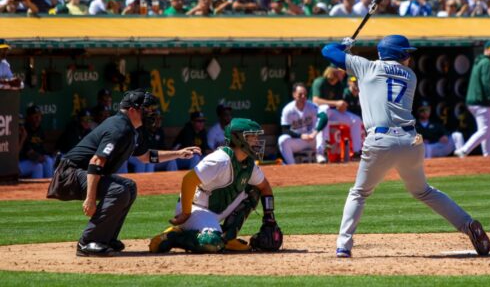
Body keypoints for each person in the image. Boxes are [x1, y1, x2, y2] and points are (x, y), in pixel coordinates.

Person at [322, 35, 490, 258]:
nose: (409, 56)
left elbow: (327, 51)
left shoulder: (367, 66)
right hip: (411, 142)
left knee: (359, 193)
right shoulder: (410, 76)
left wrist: (345, 46)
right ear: (399, 54)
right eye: (406, 53)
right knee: (424, 191)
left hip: (380, 141)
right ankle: (467, 224)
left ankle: (344, 246)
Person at [48, 90, 201, 256]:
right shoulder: (118, 128)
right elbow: (96, 162)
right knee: (119, 190)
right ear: (132, 110)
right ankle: (87, 242)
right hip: (69, 174)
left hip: (85, 173)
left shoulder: (132, 129)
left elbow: (146, 157)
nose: (150, 113)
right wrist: (90, 199)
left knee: (129, 186)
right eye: (146, 109)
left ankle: (106, 239)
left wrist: (178, 153)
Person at [149, 118, 283, 254]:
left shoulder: (249, 165)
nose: (256, 141)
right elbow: (188, 180)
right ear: (238, 138)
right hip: (196, 209)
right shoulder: (220, 160)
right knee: (213, 243)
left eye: (256, 136)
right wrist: (186, 212)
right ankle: (174, 236)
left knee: (254, 190)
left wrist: (269, 218)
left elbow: (265, 187)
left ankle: (228, 238)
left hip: (216, 210)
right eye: (252, 137)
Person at [454, 41, 490, 157]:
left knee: (487, 130)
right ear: (486, 49)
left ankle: (487, 155)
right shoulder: (486, 62)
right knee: (485, 130)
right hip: (480, 101)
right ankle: (464, 150)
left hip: (474, 100)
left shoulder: (480, 61)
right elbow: (487, 83)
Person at [311, 65, 364, 163]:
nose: (343, 73)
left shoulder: (339, 84)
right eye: (341, 71)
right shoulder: (320, 81)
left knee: (356, 120)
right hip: (317, 114)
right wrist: (336, 103)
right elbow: (315, 100)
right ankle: (321, 151)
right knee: (325, 109)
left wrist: (342, 106)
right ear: (333, 71)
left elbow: (338, 105)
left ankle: (357, 152)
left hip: (333, 112)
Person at [278, 83, 319, 164]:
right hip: (299, 140)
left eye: (305, 95)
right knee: (282, 140)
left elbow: (321, 122)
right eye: (300, 94)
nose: (303, 97)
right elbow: (285, 130)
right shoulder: (288, 109)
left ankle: (322, 158)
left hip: (313, 139)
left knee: (323, 132)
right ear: (294, 95)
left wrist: (314, 133)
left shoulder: (313, 106)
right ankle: (292, 166)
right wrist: (300, 136)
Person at [19, 105, 55, 178]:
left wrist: (48, 155)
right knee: (40, 165)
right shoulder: (24, 130)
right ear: (28, 118)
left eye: (39, 116)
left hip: (32, 160)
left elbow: (42, 148)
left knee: (49, 160)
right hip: (23, 160)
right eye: (35, 116)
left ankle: (48, 186)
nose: (38, 119)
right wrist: (40, 158)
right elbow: (29, 153)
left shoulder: (39, 130)